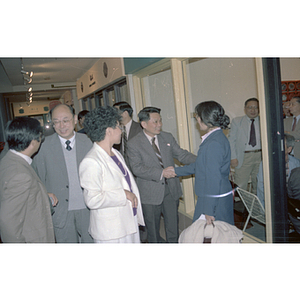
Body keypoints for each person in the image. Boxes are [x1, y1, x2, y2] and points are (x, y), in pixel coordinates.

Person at [127, 106, 196, 243]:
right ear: (144, 124)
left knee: (173, 227)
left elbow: (181, 155)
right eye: (156, 122)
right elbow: (137, 168)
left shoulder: (167, 137)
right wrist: (161, 173)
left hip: (171, 190)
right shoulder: (134, 143)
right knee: (153, 231)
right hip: (150, 193)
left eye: (160, 121)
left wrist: (203, 160)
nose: (160, 125)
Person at [79, 106, 144, 243]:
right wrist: (124, 194)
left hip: (127, 224)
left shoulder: (116, 154)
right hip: (111, 231)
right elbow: (92, 199)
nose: (121, 130)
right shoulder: (91, 161)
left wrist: (135, 216)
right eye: (118, 127)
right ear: (108, 131)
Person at [32, 104, 93, 243]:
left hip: (88, 209)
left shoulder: (89, 142)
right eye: (56, 122)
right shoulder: (43, 146)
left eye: (66, 120)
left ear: (75, 119)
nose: (62, 126)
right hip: (60, 211)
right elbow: (38, 178)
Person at [174, 101, 234, 225]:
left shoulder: (213, 143)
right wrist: (175, 171)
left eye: (197, 118)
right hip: (213, 196)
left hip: (213, 199)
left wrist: (209, 210)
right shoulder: (216, 137)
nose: (197, 122)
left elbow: (213, 178)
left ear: (205, 119)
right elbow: (201, 166)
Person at [0, 117, 55, 243]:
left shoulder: (8, 160)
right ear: (33, 142)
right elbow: (8, 222)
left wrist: (42, 196)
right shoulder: (20, 174)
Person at [228, 97, 261, 194]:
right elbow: (231, 140)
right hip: (244, 157)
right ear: (245, 108)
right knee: (241, 185)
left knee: (259, 184)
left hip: (260, 156)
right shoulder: (237, 121)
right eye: (250, 107)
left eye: (256, 107)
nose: (253, 110)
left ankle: (257, 207)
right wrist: (233, 158)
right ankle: (243, 207)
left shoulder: (264, 120)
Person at [257, 134, 300, 208]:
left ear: (289, 149)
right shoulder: (266, 163)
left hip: (292, 203)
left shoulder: (296, 163)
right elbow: (261, 188)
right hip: (273, 203)